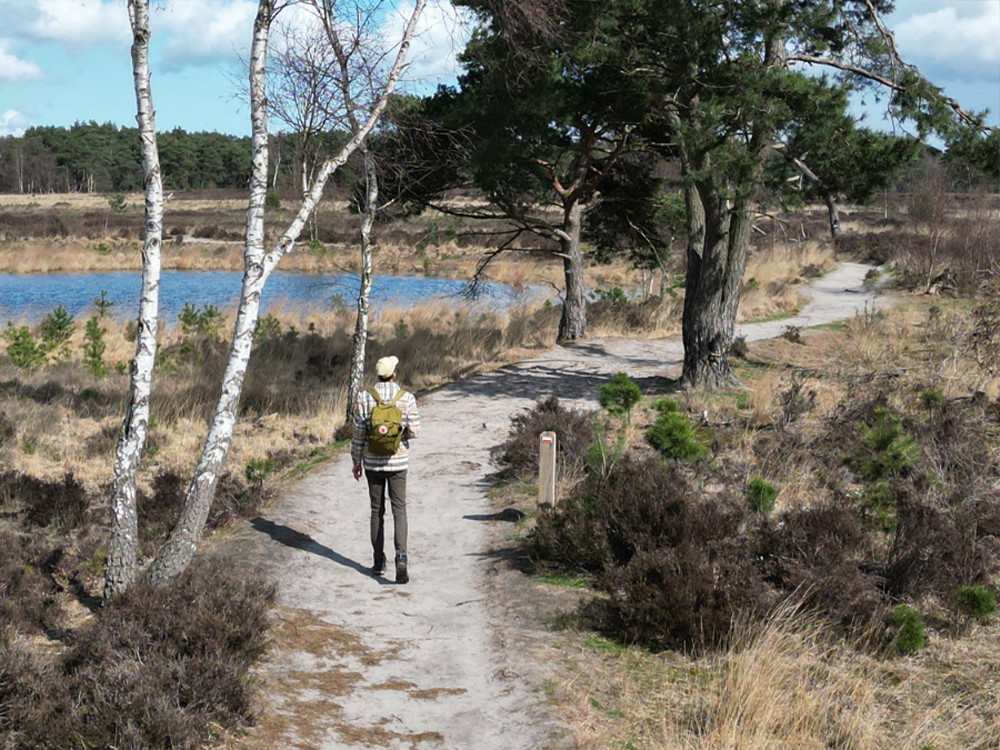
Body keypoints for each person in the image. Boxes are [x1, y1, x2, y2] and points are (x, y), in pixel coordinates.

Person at [351, 355, 421, 583]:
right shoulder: (407, 398)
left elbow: (359, 433)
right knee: (399, 510)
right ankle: (401, 558)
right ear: (394, 375)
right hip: (398, 462)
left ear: (378, 375)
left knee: (376, 511)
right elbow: (416, 430)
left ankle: (378, 561)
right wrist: (400, 436)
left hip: (372, 463)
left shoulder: (364, 397)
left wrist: (356, 461)